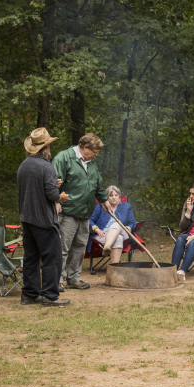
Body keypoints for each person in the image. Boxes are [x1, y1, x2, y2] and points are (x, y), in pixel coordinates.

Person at [16, 127, 71, 307]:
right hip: (44, 220)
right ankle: (49, 295)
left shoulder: (24, 165)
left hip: (27, 217)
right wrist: (60, 196)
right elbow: (51, 195)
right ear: (45, 148)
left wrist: (51, 184)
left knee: (31, 257)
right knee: (52, 257)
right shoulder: (47, 166)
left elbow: (34, 187)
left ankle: (29, 294)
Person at [53, 133, 107, 290]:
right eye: (94, 151)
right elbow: (53, 182)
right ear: (84, 147)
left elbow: (97, 183)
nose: (96, 154)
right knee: (63, 247)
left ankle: (74, 277)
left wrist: (103, 199)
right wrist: (56, 200)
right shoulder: (63, 158)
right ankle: (58, 279)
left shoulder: (91, 163)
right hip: (68, 211)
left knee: (80, 247)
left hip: (85, 212)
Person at [88, 185, 136, 265]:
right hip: (103, 235)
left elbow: (133, 222)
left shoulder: (126, 206)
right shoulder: (101, 206)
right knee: (118, 238)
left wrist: (128, 228)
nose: (114, 197)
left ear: (119, 196)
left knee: (117, 224)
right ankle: (114, 268)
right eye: (111, 195)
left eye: (116, 195)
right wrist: (97, 229)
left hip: (122, 232)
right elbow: (90, 220)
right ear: (107, 198)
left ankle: (107, 246)